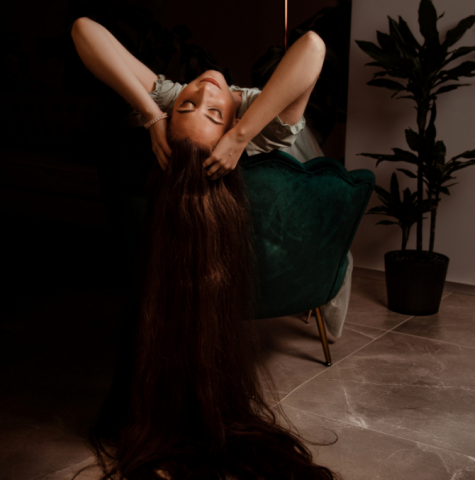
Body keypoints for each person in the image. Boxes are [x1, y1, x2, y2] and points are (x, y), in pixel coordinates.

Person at [71, 17, 342, 480]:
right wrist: (225, 131)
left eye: (192, 105)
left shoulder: (189, 105)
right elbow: (313, 46)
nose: (202, 93)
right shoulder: (266, 128)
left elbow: (82, 28)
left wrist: (168, 116)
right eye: (204, 110)